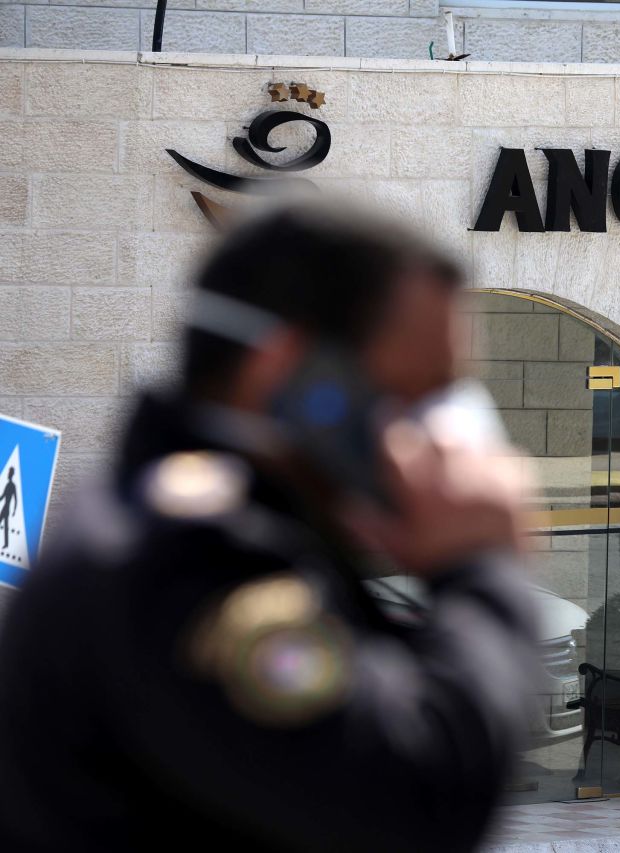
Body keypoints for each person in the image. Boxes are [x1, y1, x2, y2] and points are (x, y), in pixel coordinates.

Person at [0, 205, 538, 851]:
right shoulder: (193, 560)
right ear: (292, 373)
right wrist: (481, 564)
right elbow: (418, 799)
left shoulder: (179, 519)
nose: (443, 432)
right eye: (419, 391)